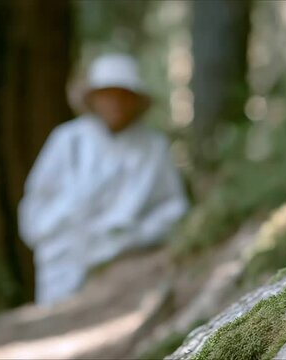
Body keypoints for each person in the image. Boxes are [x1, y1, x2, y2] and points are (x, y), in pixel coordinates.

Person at [18, 53, 188, 306]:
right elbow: (35, 209)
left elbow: (173, 208)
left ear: (136, 99)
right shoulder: (68, 140)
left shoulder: (153, 146)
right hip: (62, 268)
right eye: (107, 94)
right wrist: (63, 233)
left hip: (128, 266)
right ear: (93, 98)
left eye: (123, 94)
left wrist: (135, 235)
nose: (115, 103)